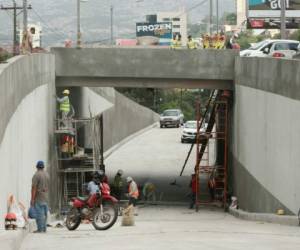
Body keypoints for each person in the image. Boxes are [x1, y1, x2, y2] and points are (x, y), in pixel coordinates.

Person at [31, 161, 50, 233]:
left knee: (39, 214)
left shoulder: (36, 175)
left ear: (37, 167)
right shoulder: (47, 174)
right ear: (43, 167)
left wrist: (32, 199)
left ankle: (40, 229)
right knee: (45, 214)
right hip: (46, 197)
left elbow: (34, 188)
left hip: (39, 197)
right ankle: (44, 228)